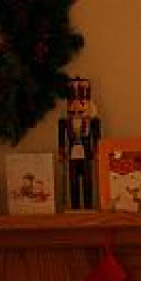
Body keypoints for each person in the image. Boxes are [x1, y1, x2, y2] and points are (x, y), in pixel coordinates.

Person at [58, 77, 100, 209]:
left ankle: (88, 206)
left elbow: (97, 138)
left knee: (88, 181)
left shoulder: (93, 122)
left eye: (80, 111)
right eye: (73, 112)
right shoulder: (64, 122)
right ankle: (75, 207)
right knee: (73, 182)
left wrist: (98, 151)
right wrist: (61, 150)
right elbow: (61, 138)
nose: (76, 114)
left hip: (87, 155)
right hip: (72, 156)